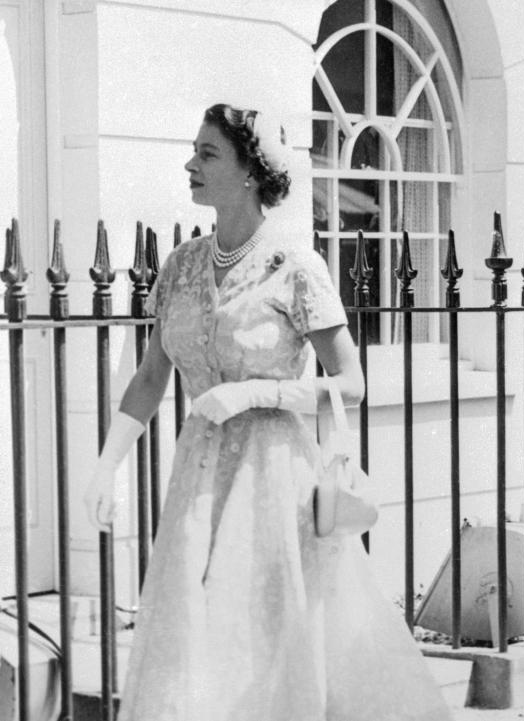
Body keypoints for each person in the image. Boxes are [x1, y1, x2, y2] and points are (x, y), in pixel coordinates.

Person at [84, 103, 452, 721]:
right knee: (198, 636)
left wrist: (256, 393)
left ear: (251, 172)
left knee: (265, 638)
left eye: (208, 154)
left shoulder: (295, 267)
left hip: (273, 480)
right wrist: (106, 464)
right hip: (197, 481)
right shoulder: (180, 266)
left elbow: (351, 382)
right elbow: (151, 376)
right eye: (194, 151)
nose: (191, 164)